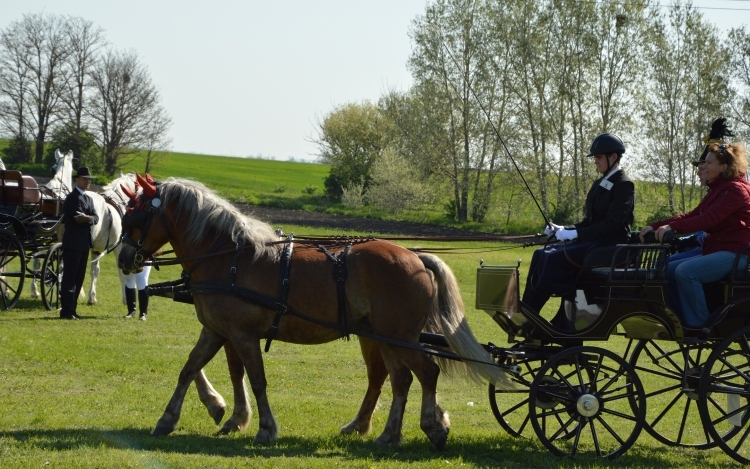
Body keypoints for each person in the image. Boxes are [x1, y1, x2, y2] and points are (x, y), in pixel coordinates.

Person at [521, 132, 635, 317]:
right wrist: (565, 229)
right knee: (541, 254)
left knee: (553, 259)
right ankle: (527, 308)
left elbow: (611, 224)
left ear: (613, 157)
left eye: (598, 157)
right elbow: (590, 221)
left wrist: (575, 235)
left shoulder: (624, 185)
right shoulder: (601, 182)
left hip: (610, 245)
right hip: (594, 241)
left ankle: (530, 314)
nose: (595, 162)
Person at [640, 143, 750, 328]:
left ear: (724, 167)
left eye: (708, 163)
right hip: (718, 249)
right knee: (667, 269)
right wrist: (656, 225)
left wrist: (672, 228)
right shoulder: (718, 190)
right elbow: (693, 215)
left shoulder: (736, 190)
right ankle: (680, 320)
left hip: (737, 252)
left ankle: (700, 324)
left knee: (686, 272)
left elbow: (709, 220)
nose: (704, 166)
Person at [59, 166, 99, 320]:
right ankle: (66, 311)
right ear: (77, 179)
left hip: (84, 244)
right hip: (73, 243)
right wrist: (89, 218)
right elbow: (78, 218)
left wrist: (88, 217)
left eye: (89, 179)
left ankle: (73, 310)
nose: (87, 182)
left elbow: (95, 218)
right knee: (70, 278)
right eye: (85, 179)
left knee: (79, 278)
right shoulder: (72, 198)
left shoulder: (88, 198)